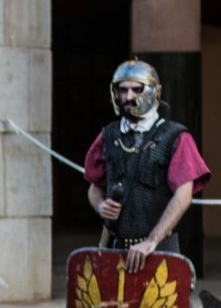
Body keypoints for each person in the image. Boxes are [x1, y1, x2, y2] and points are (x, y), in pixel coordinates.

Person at [84, 59, 211, 273]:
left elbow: (183, 195)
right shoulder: (109, 135)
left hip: (159, 249)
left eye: (137, 89)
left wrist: (152, 241)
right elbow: (94, 186)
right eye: (123, 90)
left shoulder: (175, 137)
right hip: (115, 249)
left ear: (154, 92)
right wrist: (100, 206)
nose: (129, 97)